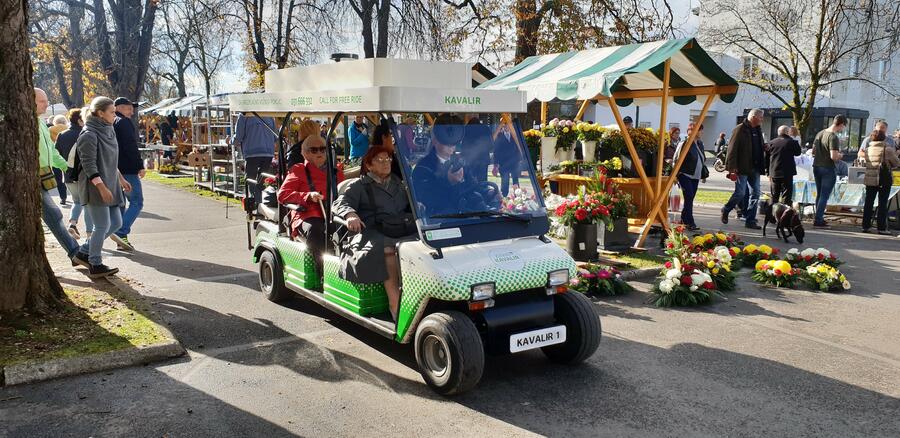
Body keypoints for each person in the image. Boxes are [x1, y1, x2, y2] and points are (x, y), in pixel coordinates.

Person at [333, 145, 413, 320]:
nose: (386, 163)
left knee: (423, 244)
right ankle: (395, 303)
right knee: (389, 248)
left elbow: (412, 203)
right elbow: (340, 203)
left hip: (400, 228)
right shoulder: (359, 185)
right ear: (368, 165)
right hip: (370, 233)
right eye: (380, 160)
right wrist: (350, 214)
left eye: (388, 159)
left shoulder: (397, 183)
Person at [72, 96, 132, 278]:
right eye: (112, 112)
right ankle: (95, 264)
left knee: (116, 223)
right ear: (100, 113)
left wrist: (120, 178)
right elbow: (89, 165)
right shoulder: (89, 134)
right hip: (95, 186)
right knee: (102, 225)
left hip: (111, 184)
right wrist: (102, 187)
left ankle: (83, 252)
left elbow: (110, 160)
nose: (116, 115)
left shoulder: (109, 130)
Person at [277, 135, 345, 278]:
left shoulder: (336, 172)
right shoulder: (298, 170)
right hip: (307, 214)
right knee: (317, 230)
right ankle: (324, 272)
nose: (319, 153)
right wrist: (307, 196)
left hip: (332, 213)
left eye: (322, 149)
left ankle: (348, 268)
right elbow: (282, 195)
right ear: (305, 153)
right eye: (314, 150)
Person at [35, 88, 82, 263]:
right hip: (31, 178)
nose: (46, 104)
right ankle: (75, 252)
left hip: (42, 177)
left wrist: (68, 168)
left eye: (46, 100)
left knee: (49, 218)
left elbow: (52, 153)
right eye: (42, 101)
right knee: (54, 215)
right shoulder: (26, 122)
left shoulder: (41, 123)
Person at [411, 114, 469, 215]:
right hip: (439, 222)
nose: (452, 147)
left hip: (465, 217)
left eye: (454, 143)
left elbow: (473, 185)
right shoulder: (423, 168)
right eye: (447, 143)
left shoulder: (459, 161)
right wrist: (449, 182)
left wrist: (488, 192)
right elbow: (430, 201)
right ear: (435, 141)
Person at [722, 108, 766, 229]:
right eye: (760, 117)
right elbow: (732, 148)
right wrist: (731, 167)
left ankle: (750, 220)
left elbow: (757, 146)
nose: (762, 120)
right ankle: (726, 209)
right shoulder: (740, 129)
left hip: (755, 167)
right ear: (753, 117)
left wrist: (764, 147)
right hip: (742, 167)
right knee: (740, 193)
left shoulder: (758, 129)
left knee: (756, 193)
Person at [110, 97, 143, 251]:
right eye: (129, 108)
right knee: (136, 202)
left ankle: (120, 239)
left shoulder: (112, 122)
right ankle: (121, 231)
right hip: (128, 168)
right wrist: (140, 165)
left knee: (121, 204)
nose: (132, 112)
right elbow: (131, 146)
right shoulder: (123, 122)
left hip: (114, 168)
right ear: (120, 108)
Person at [56, 108, 93, 240]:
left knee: (76, 201)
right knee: (88, 204)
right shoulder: (86, 134)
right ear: (80, 120)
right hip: (83, 175)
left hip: (67, 174)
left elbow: (57, 154)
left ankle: (72, 224)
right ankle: (89, 234)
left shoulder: (62, 135)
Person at [861, 129, 899, 234]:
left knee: (868, 203)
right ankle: (881, 228)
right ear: (884, 138)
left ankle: (865, 226)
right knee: (882, 204)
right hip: (884, 179)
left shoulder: (868, 149)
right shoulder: (887, 149)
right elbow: (896, 163)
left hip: (870, 178)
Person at [811, 115, 846, 228]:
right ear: (841, 124)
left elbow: (813, 151)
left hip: (816, 166)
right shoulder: (833, 137)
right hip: (827, 168)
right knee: (824, 196)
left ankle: (818, 217)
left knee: (819, 194)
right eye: (843, 127)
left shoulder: (820, 133)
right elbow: (834, 156)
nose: (842, 130)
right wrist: (840, 155)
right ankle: (818, 220)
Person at [233, 113, 276, 202]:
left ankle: (255, 203)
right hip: (268, 152)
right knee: (263, 180)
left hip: (252, 152)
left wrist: (230, 141)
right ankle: (261, 202)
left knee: (251, 179)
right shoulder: (269, 114)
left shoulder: (243, 115)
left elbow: (238, 137)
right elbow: (275, 136)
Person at [673, 123, 707, 231]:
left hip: (695, 176)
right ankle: (690, 222)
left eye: (700, 130)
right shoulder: (684, 143)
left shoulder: (700, 143)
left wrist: (702, 174)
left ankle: (684, 219)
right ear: (690, 131)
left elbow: (702, 159)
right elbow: (676, 159)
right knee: (689, 196)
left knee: (690, 198)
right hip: (685, 174)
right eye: (697, 130)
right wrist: (675, 174)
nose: (700, 132)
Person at [765, 125, 802, 204]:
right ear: (787, 132)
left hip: (774, 171)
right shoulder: (792, 142)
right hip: (787, 172)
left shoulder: (771, 142)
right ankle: (784, 214)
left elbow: (767, 158)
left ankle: (772, 214)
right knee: (786, 195)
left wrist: (767, 172)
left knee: (774, 195)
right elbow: (798, 153)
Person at [492, 123, 522, 196]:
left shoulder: (515, 136)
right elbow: (496, 151)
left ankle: (517, 196)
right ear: (502, 126)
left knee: (515, 180)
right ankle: (504, 196)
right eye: (504, 124)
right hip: (503, 164)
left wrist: (520, 159)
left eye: (507, 124)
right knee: (505, 181)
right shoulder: (498, 136)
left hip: (514, 162)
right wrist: (495, 165)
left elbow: (519, 148)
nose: (506, 126)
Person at [48, 114, 70, 205]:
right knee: (68, 176)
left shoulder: (49, 130)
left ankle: (63, 197)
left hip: (55, 157)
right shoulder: (68, 129)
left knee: (58, 178)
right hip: (67, 156)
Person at [462, 114, 492, 183]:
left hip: (470, 160)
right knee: (483, 183)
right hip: (483, 160)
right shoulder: (486, 128)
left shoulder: (465, 129)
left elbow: (463, 146)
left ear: (469, 117)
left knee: (470, 182)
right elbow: (491, 145)